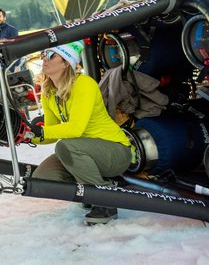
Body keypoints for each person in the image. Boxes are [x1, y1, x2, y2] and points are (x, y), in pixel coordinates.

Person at [27, 41, 132, 225]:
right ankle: (92, 188)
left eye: (51, 55)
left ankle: (105, 201)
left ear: (65, 62)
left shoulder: (83, 85)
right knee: (43, 178)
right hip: (83, 152)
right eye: (43, 53)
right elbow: (50, 133)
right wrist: (25, 135)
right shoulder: (49, 92)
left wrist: (41, 131)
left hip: (115, 151)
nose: (43, 57)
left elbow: (76, 128)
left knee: (65, 146)